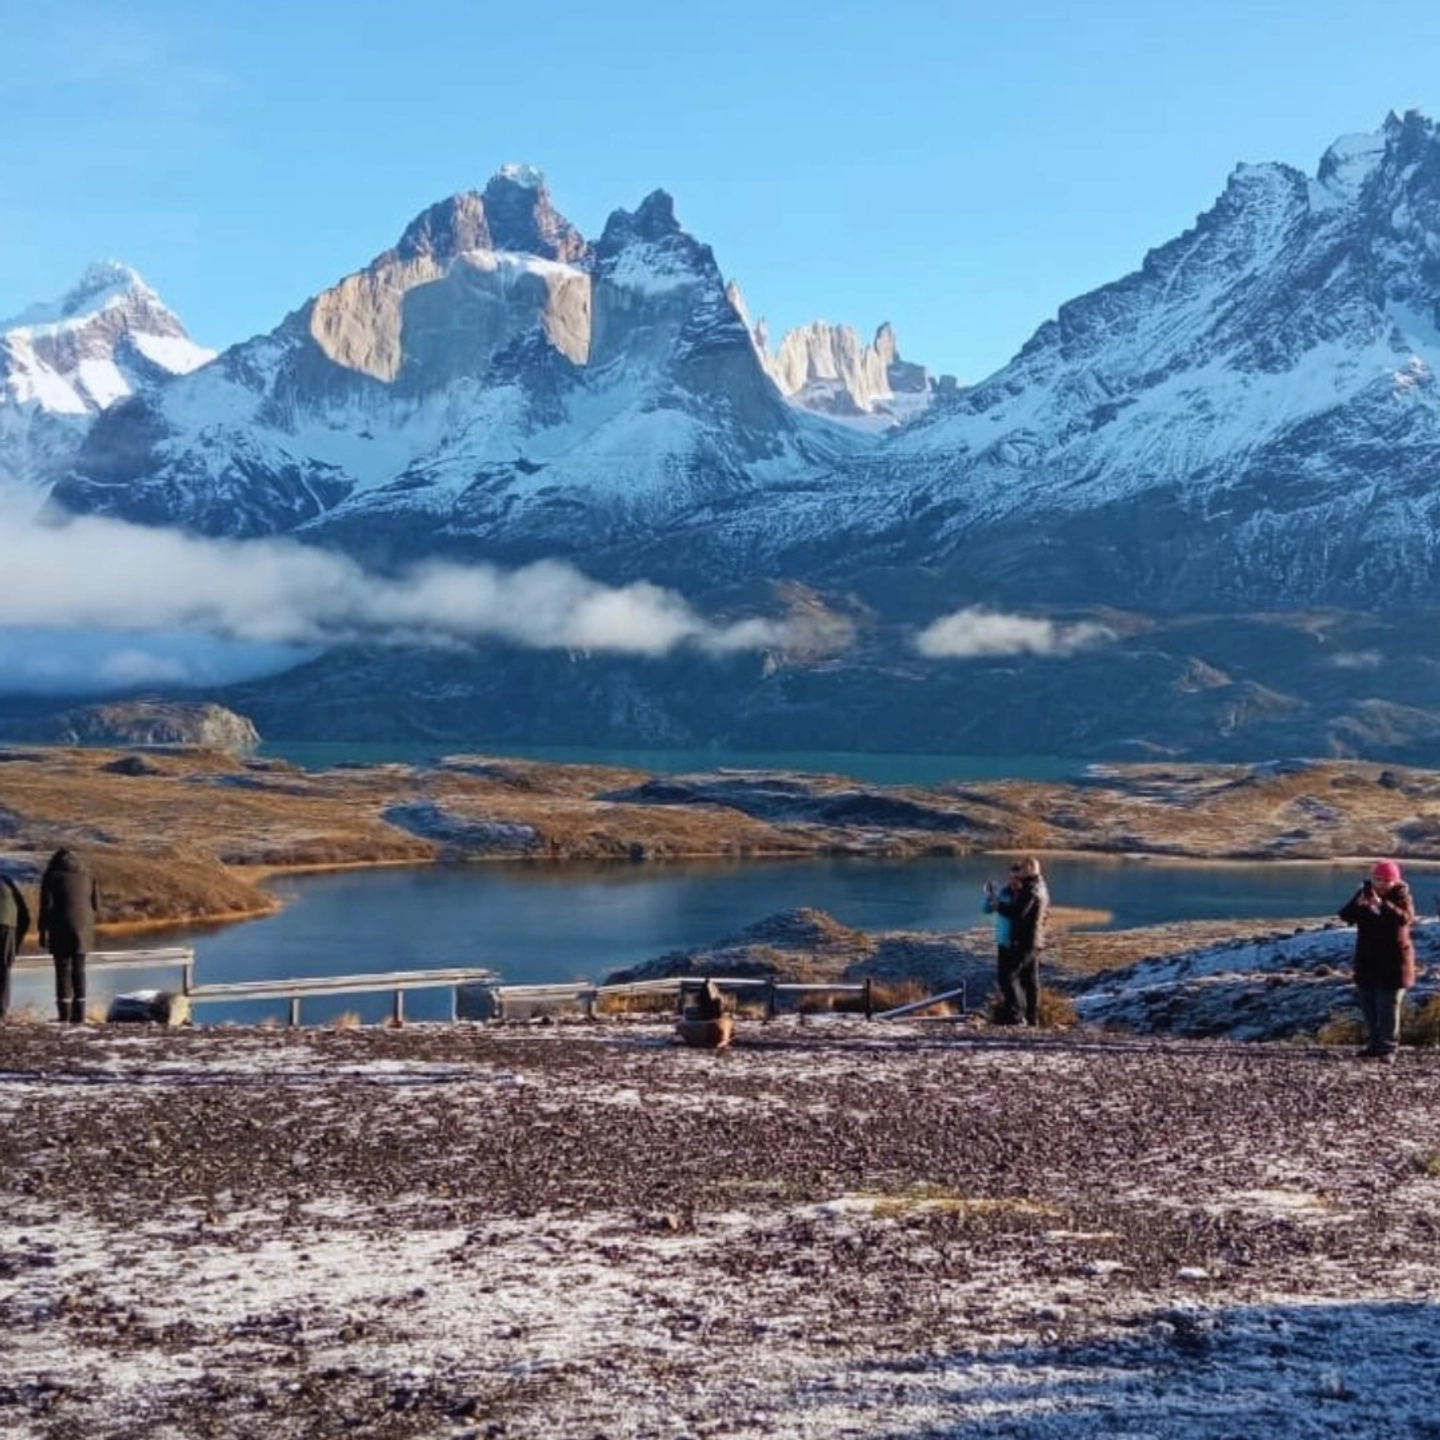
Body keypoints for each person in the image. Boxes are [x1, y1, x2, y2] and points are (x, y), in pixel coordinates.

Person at [1338, 858, 1415, 1063]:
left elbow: (1404, 919)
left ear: (1395, 881)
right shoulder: (1364, 894)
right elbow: (1345, 916)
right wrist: (1358, 904)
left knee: (1387, 1007)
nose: (1380, 884)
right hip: (1368, 961)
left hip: (1393, 963)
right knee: (1369, 1004)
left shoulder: (1401, 896)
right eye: (1377, 879)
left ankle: (1388, 1048)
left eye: (1385, 880)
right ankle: (1374, 1044)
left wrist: (1382, 904)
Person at [37, 848, 99, 1025]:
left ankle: (64, 1014)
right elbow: (97, 904)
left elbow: (46, 906)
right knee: (79, 970)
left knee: (62, 970)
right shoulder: (87, 875)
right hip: (84, 929)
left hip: (60, 928)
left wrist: (42, 931)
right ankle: (79, 1015)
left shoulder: (52, 875)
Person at [992, 856, 1050, 1027]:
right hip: (1035, 939)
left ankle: (1017, 1015)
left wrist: (999, 906)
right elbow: (1045, 913)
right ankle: (1032, 1019)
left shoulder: (1031, 888)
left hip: (1026, 940)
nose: (1021, 873)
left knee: (1008, 976)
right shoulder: (1041, 887)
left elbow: (1019, 912)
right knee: (1030, 981)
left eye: (1023, 869)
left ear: (1031, 869)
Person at [0, 870, 32, 1020]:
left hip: (8, 924)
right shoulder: (7, 880)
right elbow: (25, 915)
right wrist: (15, 943)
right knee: (4, 968)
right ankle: (2, 1011)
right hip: (8, 927)